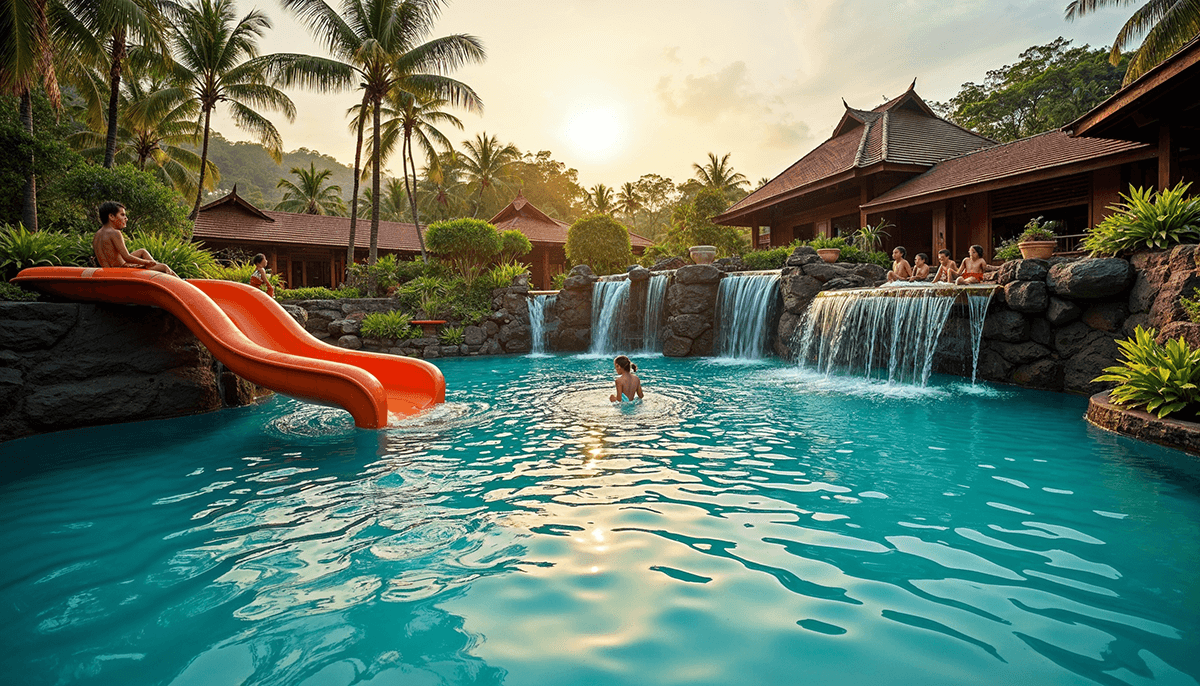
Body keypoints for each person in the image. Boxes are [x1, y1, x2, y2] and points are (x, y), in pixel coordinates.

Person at [91, 201, 178, 277]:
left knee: (142, 251)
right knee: (164, 267)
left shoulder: (97, 235)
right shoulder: (115, 233)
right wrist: (146, 263)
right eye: (122, 215)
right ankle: (183, 283)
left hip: (108, 272)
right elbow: (126, 257)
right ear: (111, 217)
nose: (126, 219)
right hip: (120, 271)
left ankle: (153, 267)